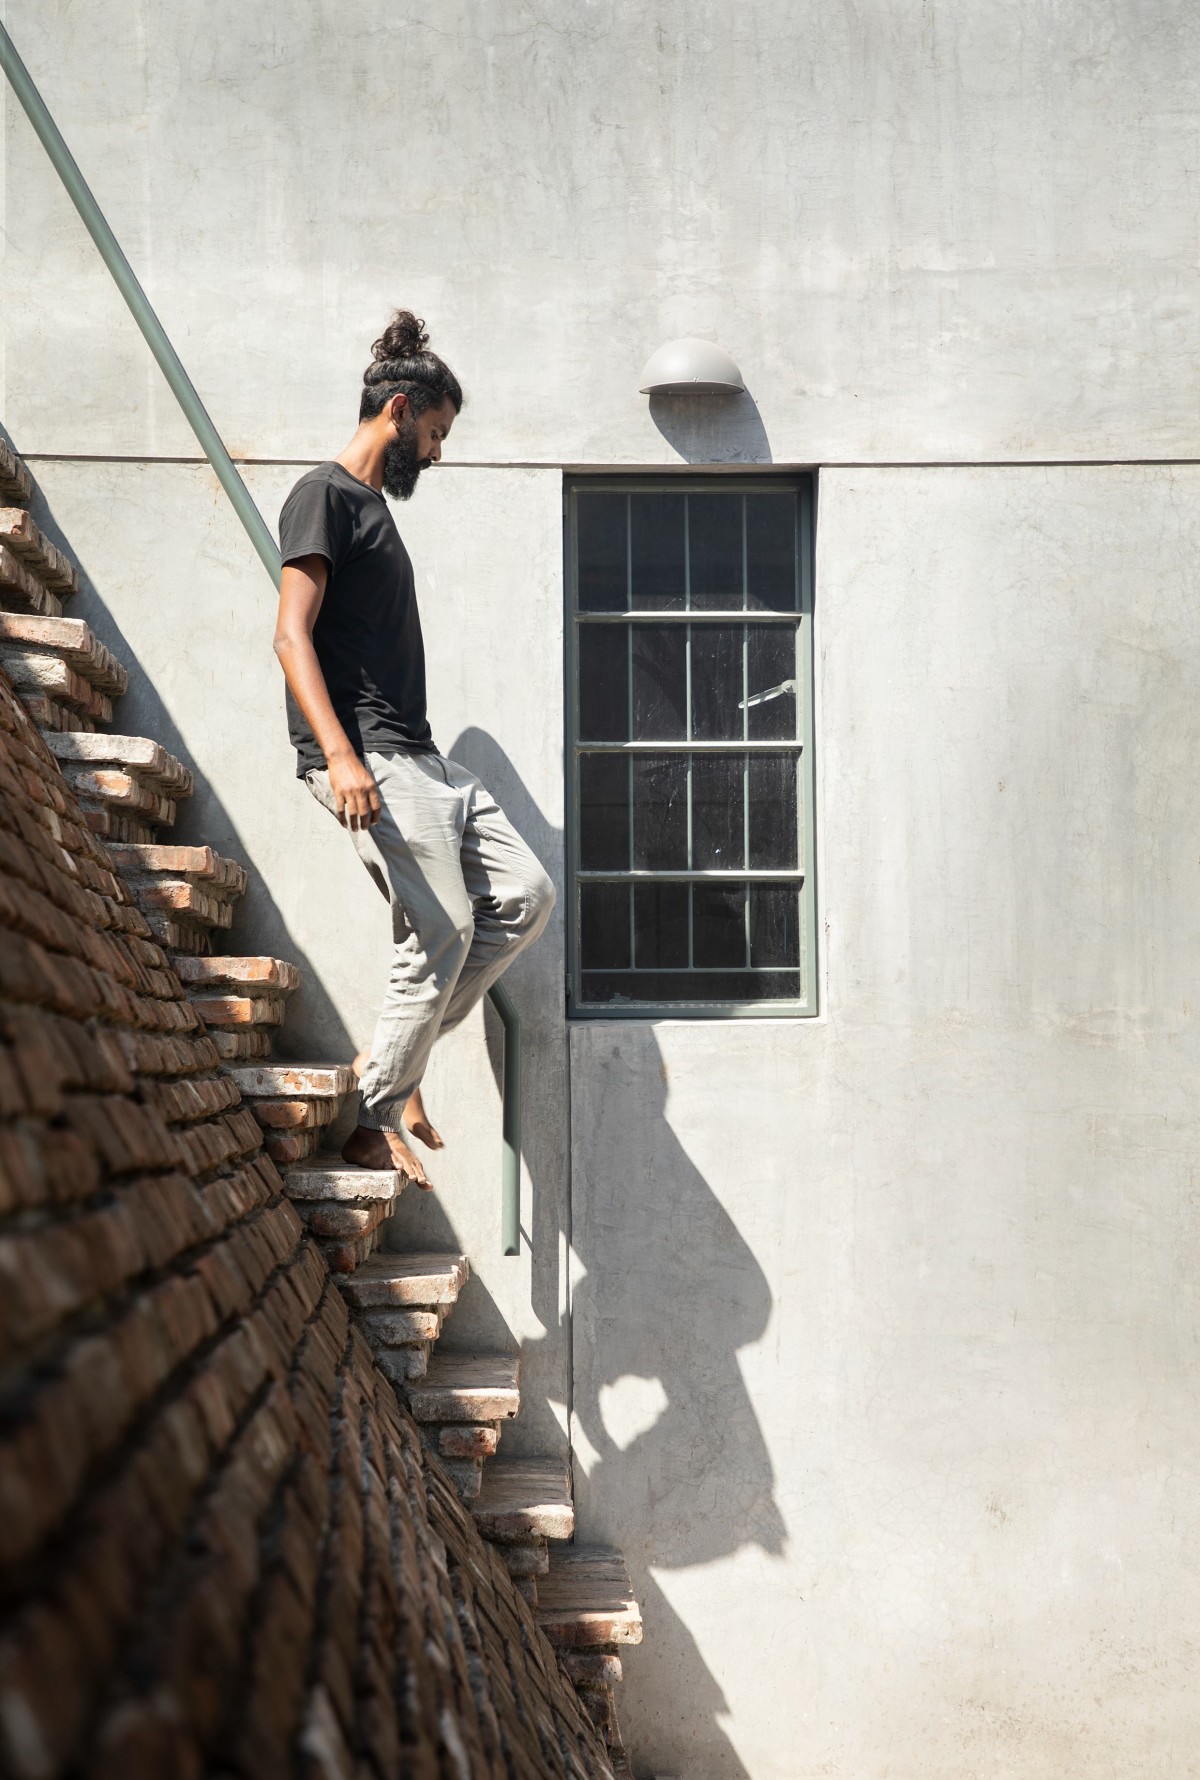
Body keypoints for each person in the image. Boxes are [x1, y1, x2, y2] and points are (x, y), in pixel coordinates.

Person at [272, 310, 554, 1188]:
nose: (435, 454)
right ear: (398, 409)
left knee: (523, 894)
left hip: (422, 757)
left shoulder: (369, 512)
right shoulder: (322, 496)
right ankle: (374, 1117)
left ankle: (402, 1070)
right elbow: (290, 636)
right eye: (433, 435)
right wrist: (341, 757)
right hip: (373, 758)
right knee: (441, 924)